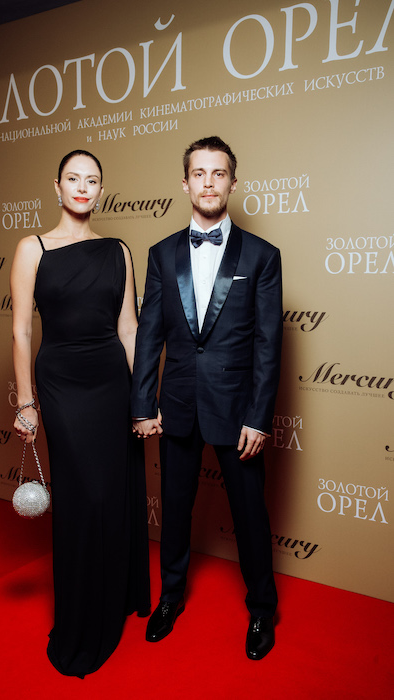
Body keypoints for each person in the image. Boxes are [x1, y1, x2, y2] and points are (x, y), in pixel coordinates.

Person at [131, 136, 282, 661]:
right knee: (174, 510)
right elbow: (149, 335)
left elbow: (268, 343)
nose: (209, 182)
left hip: (238, 410)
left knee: (250, 515)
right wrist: (142, 404)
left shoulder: (262, 256)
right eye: (199, 173)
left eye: (219, 173)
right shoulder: (161, 254)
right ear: (185, 183)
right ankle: (170, 597)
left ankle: (262, 608)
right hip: (176, 404)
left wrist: (259, 418)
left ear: (232, 183)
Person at [10, 149, 150, 678]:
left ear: (101, 190)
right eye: (73, 178)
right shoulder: (33, 248)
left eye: (92, 180)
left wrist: (143, 400)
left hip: (112, 381)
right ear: (57, 186)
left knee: (111, 491)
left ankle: (113, 594)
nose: (83, 187)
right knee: (84, 495)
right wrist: (26, 401)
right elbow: (22, 329)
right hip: (62, 383)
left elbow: (129, 329)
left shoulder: (118, 251)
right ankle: (82, 614)